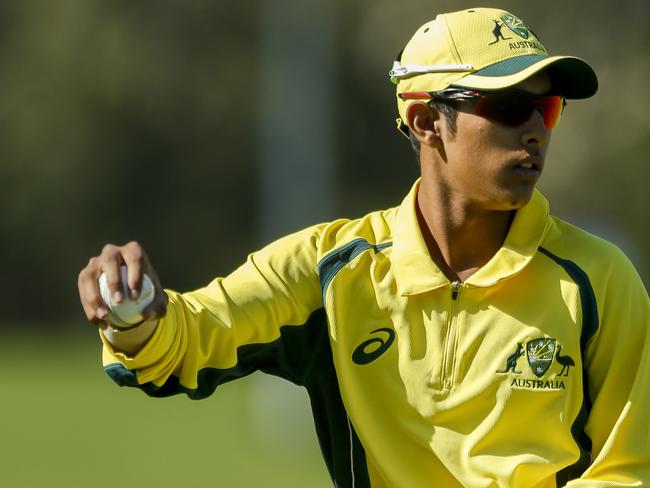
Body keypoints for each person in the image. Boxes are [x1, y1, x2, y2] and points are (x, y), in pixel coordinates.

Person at [77, 7, 650, 488]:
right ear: (426, 120)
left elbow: (628, 471)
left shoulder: (599, 279)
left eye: (546, 108)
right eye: (507, 107)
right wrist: (132, 315)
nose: (535, 130)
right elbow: (188, 340)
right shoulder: (331, 272)